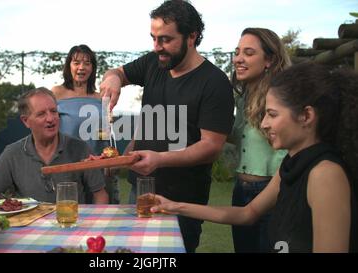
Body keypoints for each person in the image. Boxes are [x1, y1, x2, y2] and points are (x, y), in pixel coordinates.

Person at [151, 62, 358, 253]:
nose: (264, 124)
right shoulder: (292, 164)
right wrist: (173, 206)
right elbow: (248, 213)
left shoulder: (325, 174)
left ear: (306, 116)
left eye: (272, 114)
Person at [100, 0, 235, 252]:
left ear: (192, 36)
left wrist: (159, 159)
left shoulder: (214, 82)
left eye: (165, 39)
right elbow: (116, 72)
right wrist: (113, 80)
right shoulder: (154, 62)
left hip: (182, 200)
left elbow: (211, 147)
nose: (156, 47)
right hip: (139, 187)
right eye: (153, 38)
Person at [0, 87, 109, 204]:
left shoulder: (80, 148)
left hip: (71, 224)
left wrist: (97, 225)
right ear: (26, 121)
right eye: (41, 114)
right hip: (28, 227)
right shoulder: (12, 154)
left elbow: (100, 194)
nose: (50, 118)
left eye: (53, 111)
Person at [229, 28, 291, 252]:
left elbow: (290, 149)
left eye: (248, 53)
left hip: (272, 192)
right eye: (237, 52)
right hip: (240, 190)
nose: (238, 59)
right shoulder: (242, 96)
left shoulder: (282, 96)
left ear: (269, 60)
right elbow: (241, 137)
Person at [51, 44, 120, 204]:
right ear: (69, 66)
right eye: (76, 62)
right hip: (66, 166)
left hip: (97, 166)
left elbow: (106, 133)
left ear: (93, 68)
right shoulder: (56, 93)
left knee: (100, 215)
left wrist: (110, 159)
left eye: (87, 63)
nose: (81, 67)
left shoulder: (100, 98)